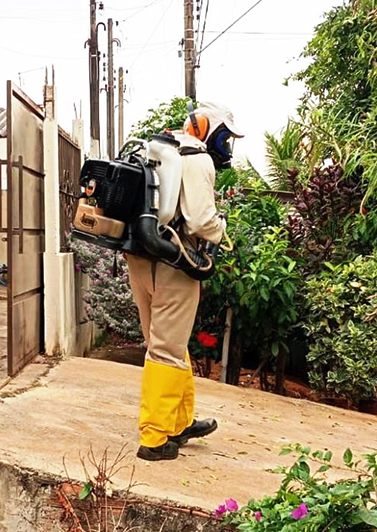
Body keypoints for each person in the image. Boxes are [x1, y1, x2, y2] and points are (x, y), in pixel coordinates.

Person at [127, 101, 244, 461]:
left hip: (141, 257)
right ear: (206, 126)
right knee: (166, 349)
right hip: (174, 261)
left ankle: (179, 422)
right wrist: (222, 229)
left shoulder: (157, 149)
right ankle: (155, 436)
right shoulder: (197, 157)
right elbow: (199, 220)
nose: (226, 143)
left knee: (164, 343)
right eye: (225, 134)